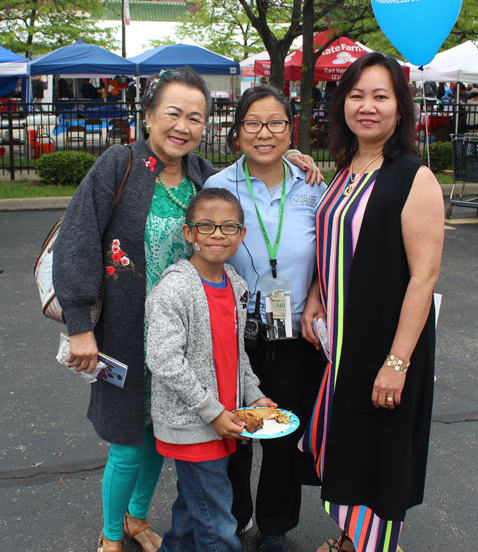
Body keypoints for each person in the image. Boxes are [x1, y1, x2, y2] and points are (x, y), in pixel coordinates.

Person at [52, 67, 322, 552]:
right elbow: (77, 241)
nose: (183, 126)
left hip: (195, 332)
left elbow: (254, 169)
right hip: (127, 333)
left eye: (195, 118)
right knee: (129, 442)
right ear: (150, 115)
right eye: (173, 113)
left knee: (165, 431)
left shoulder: (200, 173)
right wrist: (79, 325)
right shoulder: (120, 164)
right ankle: (111, 535)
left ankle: (136, 518)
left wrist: (293, 156)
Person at [299, 52, 444, 552]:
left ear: (400, 108)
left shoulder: (413, 177)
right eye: (357, 95)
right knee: (349, 446)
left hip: (385, 341)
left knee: (377, 450)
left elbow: (423, 278)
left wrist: (397, 363)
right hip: (340, 342)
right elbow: (332, 240)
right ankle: (348, 541)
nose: (367, 106)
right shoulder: (345, 167)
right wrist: (317, 295)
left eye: (381, 96)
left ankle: (376, 546)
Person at [204, 84, 327, 552]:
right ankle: (231, 522)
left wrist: (316, 290)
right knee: (234, 437)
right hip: (233, 336)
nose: (264, 133)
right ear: (237, 133)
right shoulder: (217, 187)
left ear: (289, 130)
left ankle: (274, 528)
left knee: (282, 437)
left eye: (275, 123)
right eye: (252, 123)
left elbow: (329, 256)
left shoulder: (314, 188)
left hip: (293, 334)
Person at [146, 187, 277, 552]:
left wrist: (254, 395)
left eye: (228, 227)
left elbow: (237, 355)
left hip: (224, 418)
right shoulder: (174, 290)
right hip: (194, 425)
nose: (217, 234)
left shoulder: (235, 284)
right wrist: (213, 412)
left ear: (241, 234)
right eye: (206, 226)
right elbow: (164, 361)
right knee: (219, 524)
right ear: (189, 233)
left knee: (193, 508)